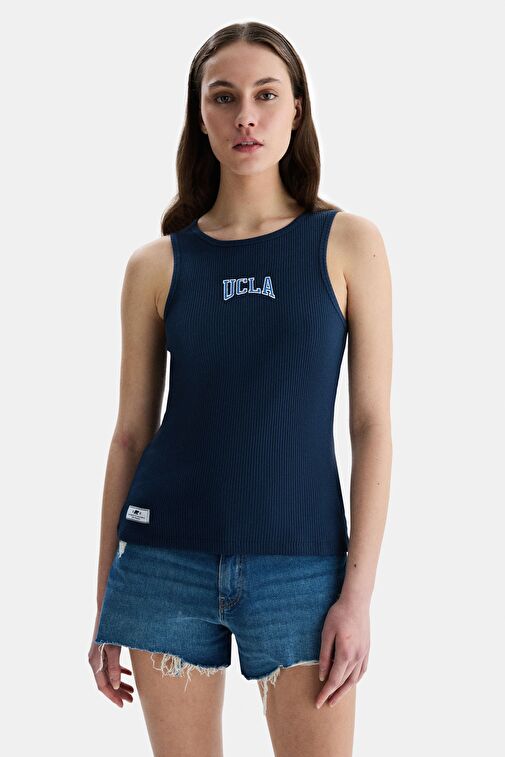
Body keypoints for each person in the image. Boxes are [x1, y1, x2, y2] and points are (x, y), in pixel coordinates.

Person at [88, 21, 392, 757]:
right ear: (201, 115)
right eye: (223, 97)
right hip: (163, 563)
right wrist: (106, 602)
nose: (245, 116)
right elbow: (130, 434)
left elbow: (372, 425)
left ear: (297, 109)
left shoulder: (347, 242)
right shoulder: (157, 265)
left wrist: (357, 597)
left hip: (302, 568)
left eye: (265, 95)